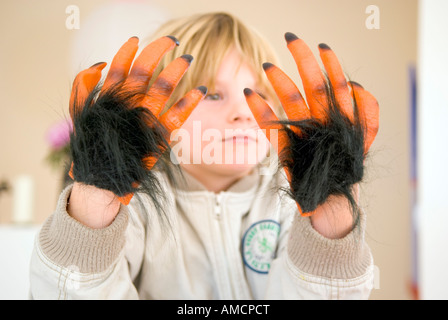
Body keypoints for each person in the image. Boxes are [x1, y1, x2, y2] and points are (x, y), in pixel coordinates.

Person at [30, 12, 378, 299]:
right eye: (212, 95)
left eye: (257, 92)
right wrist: (96, 195)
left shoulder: (292, 203)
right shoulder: (133, 209)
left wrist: (331, 219)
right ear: (160, 110)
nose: (243, 112)